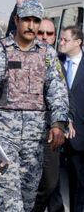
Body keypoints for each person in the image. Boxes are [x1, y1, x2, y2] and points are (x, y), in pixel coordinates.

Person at [0, 0, 69, 212]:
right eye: (26, 20)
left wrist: (58, 123)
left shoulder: (47, 54)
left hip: (35, 140)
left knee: (28, 199)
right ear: (16, 20)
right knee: (10, 200)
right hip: (4, 138)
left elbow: (57, 89)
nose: (31, 25)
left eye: (36, 21)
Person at [33, 16, 65, 212]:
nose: (45, 37)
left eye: (49, 33)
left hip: (49, 132)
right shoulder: (21, 57)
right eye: (40, 33)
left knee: (50, 182)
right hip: (22, 132)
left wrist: (62, 121)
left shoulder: (57, 62)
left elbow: (63, 95)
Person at [58, 26, 84, 212]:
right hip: (57, 132)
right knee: (54, 183)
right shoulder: (55, 63)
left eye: (65, 40)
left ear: (78, 42)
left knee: (79, 183)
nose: (61, 42)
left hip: (80, 135)